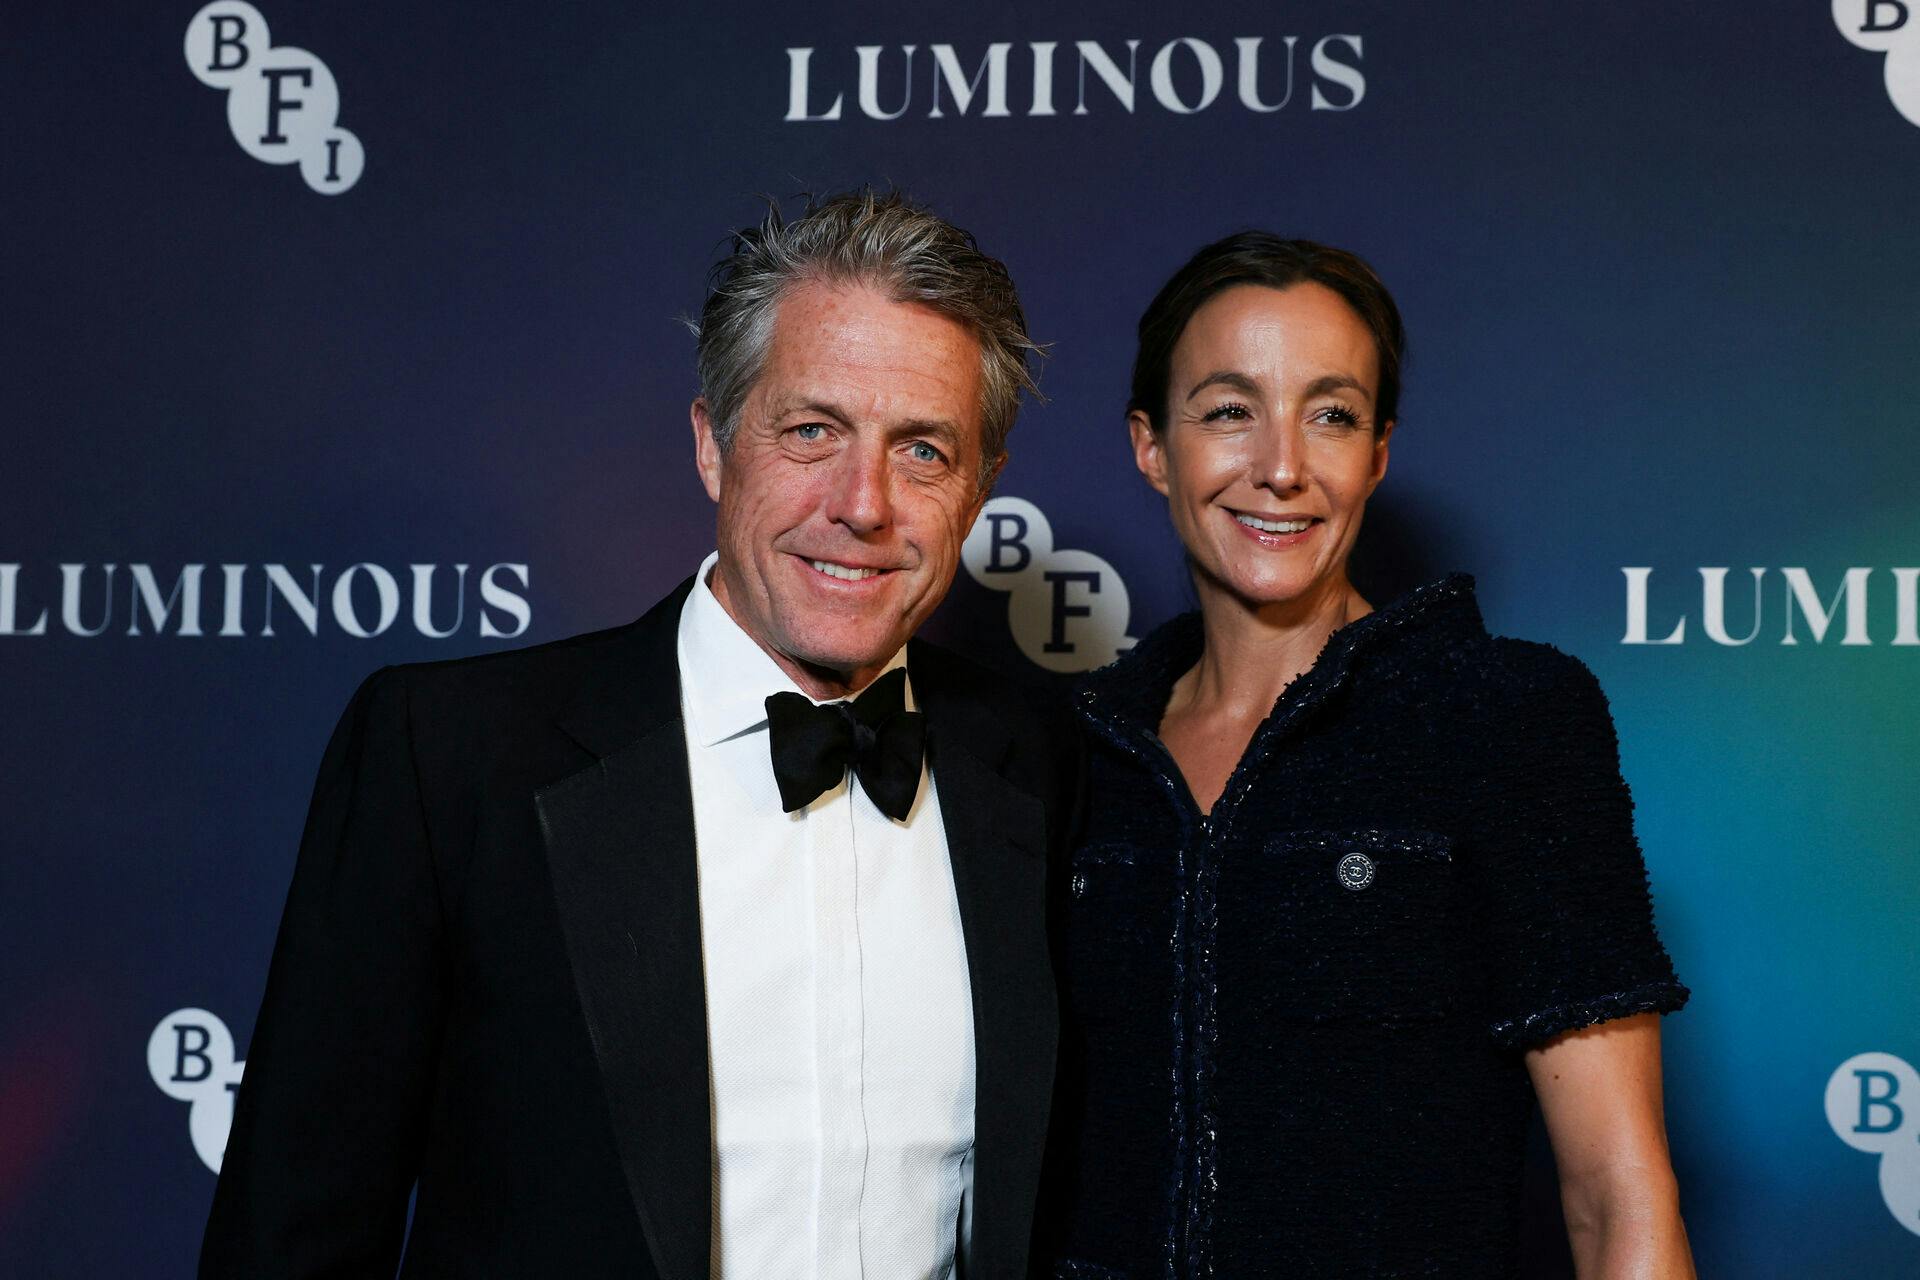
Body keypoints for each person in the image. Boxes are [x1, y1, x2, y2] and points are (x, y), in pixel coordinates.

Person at [201, 189, 1075, 1280]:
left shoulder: (1044, 772)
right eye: (812, 431)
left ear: (982, 488)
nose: (864, 503)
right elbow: (295, 1231)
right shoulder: (452, 756)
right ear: (714, 445)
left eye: (924, 451)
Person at [1041, 233, 1694, 1277]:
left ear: (1378, 454)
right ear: (1151, 443)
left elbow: (1620, 1195)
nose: (1283, 465)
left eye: (1331, 413)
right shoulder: (1075, 751)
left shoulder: (1501, 713)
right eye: (1228, 410)